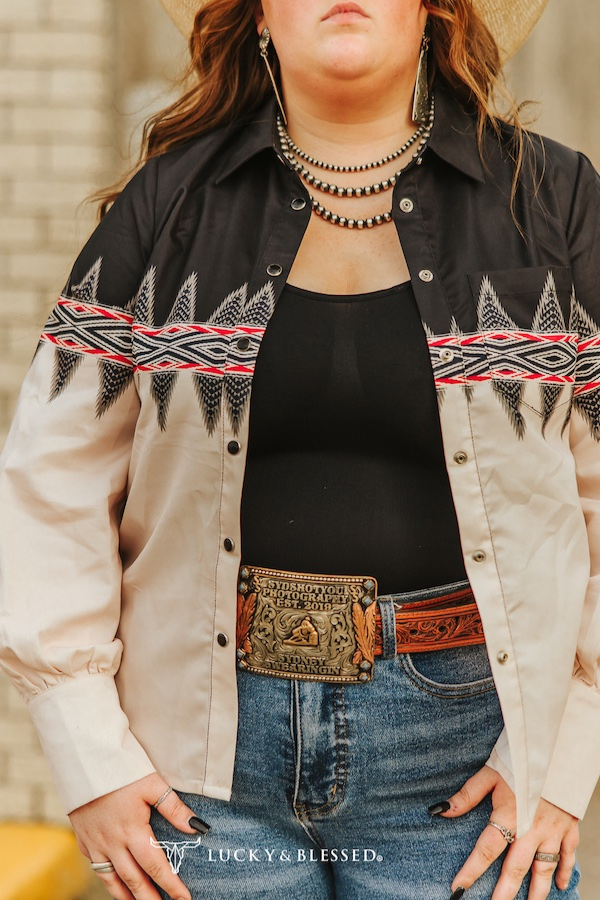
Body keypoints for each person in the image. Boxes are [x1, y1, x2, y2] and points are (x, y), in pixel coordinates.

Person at [0, 0, 598, 897]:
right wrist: (90, 757)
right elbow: (54, 484)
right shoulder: (168, 205)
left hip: (469, 762)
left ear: (434, 11)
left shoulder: (551, 199)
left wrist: (562, 755)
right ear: (260, 17)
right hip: (197, 768)